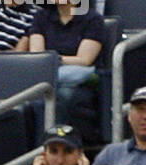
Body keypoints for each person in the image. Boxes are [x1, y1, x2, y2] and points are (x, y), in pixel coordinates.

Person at [27, 0, 103, 143]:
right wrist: (54, 60)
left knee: (63, 94)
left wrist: (54, 59)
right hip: (48, 76)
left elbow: (84, 59)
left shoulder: (92, 19)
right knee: (36, 97)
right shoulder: (41, 17)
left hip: (78, 82)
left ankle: (53, 145)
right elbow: (37, 55)